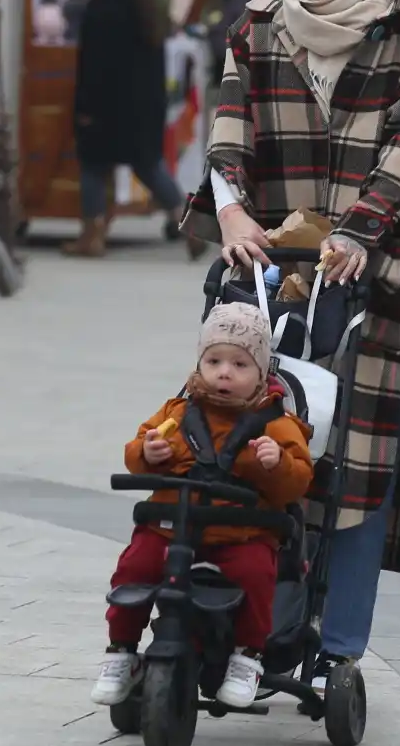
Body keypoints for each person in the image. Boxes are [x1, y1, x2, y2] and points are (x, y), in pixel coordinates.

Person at [182, 0, 400, 679]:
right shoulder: (260, 19)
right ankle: (248, 624)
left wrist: (361, 232)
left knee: (357, 460)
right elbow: (231, 123)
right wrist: (229, 208)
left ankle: (336, 648)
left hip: (374, 279)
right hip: (267, 272)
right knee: (249, 438)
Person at [91, 304, 313, 710]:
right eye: (214, 361)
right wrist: (148, 452)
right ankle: (121, 649)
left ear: (261, 374)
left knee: (255, 574)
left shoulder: (276, 426)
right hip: (172, 527)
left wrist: (276, 464)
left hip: (240, 531)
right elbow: (135, 451)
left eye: (240, 364)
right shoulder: (177, 413)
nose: (224, 372)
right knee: (135, 567)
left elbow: (298, 481)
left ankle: (247, 657)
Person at [66, 0, 201, 258]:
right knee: (149, 167)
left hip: (107, 106)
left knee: (93, 167)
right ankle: (188, 223)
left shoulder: (101, 9)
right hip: (144, 106)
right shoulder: (147, 4)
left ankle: (92, 235)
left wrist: (85, 107)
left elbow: (93, 65)